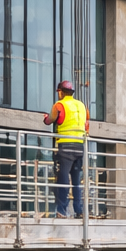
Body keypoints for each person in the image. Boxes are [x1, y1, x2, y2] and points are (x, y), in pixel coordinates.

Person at [43, 79, 88, 218]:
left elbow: (50, 119)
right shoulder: (82, 106)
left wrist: (46, 118)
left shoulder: (59, 105)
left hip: (65, 147)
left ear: (61, 92)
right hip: (80, 147)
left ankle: (61, 211)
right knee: (76, 181)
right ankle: (79, 211)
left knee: (63, 179)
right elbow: (86, 124)